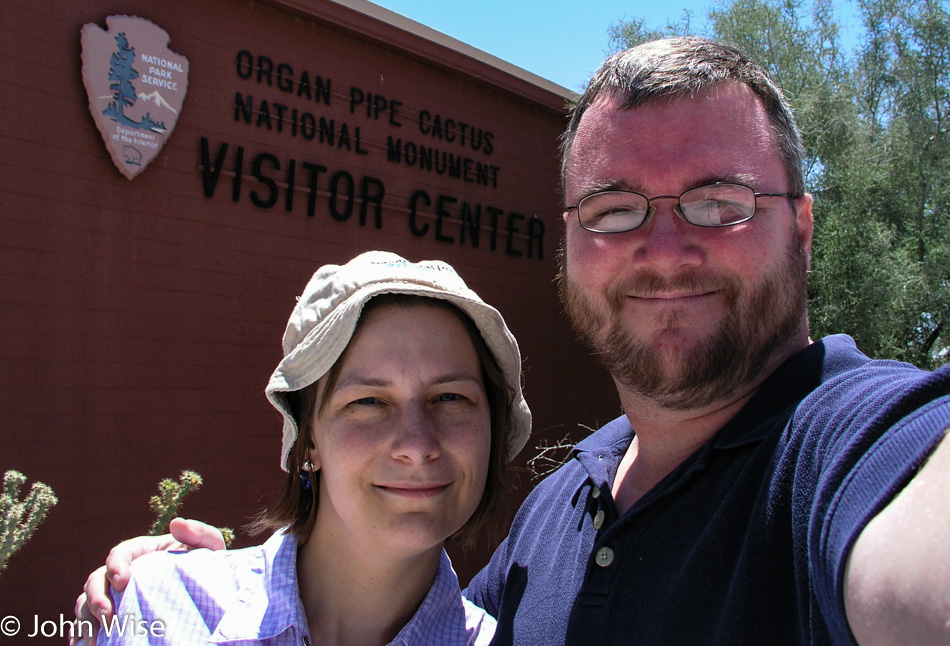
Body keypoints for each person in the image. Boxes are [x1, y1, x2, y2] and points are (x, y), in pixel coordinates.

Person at [76, 37, 950, 645]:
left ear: (801, 228)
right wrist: (163, 592)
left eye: (720, 200)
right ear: (568, 244)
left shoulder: (854, 444)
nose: (666, 247)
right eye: (614, 210)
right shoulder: (560, 511)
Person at [72, 250, 532, 646]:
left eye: (450, 398)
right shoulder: (164, 611)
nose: (416, 445)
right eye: (368, 401)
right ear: (307, 438)